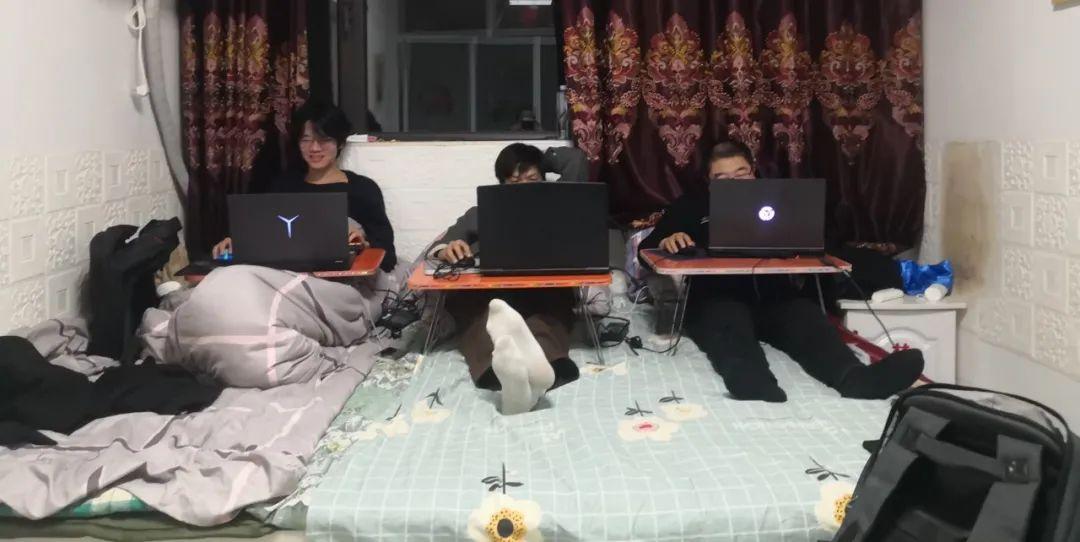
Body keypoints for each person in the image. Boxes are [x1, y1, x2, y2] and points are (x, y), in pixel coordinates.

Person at [639, 141, 923, 403]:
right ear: (709, 181)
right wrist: (668, 240)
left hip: (776, 296)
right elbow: (646, 250)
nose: (734, 183)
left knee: (808, 321)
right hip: (716, 297)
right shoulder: (691, 206)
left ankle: (857, 380)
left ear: (753, 171)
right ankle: (753, 382)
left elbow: (821, 244)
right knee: (727, 324)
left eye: (741, 174)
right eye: (722, 178)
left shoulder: (779, 200)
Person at [426, 143, 589, 415]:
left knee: (548, 314)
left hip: (543, 290)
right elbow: (441, 245)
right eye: (513, 182)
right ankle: (503, 373)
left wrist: (540, 159)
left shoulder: (561, 208)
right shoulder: (480, 213)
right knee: (483, 318)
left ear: (544, 178)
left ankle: (541, 369)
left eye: (532, 179)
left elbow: (577, 160)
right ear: (501, 185)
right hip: (490, 292)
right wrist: (448, 249)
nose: (523, 188)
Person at [211, 101, 397, 272]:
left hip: (341, 280)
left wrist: (363, 246)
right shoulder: (283, 187)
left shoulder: (362, 189)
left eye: (323, 139)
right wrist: (238, 243)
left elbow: (388, 258)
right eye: (306, 140)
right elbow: (263, 237)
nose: (314, 148)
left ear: (340, 142)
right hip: (286, 276)